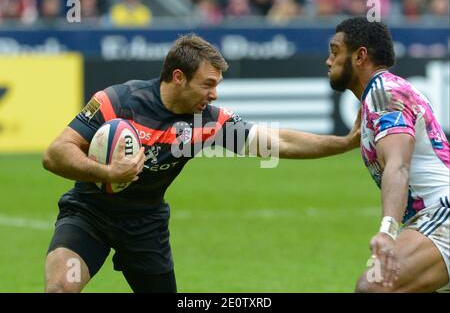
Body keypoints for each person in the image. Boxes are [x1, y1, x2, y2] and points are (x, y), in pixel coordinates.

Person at [42, 33, 360, 293]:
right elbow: (55, 153)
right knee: (60, 289)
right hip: (88, 215)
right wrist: (107, 172)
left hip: (145, 226)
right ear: (178, 77)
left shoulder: (207, 121)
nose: (215, 94)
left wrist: (344, 142)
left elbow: (278, 141)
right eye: (208, 84)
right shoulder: (117, 101)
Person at [326, 17, 449, 292]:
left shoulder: (384, 94)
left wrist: (387, 230)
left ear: (360, 56)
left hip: (442, 214)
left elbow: (398, 164)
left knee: (374, 286)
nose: (328, 61)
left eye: (335, 52)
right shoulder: (379, 95)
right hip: (430, 218)